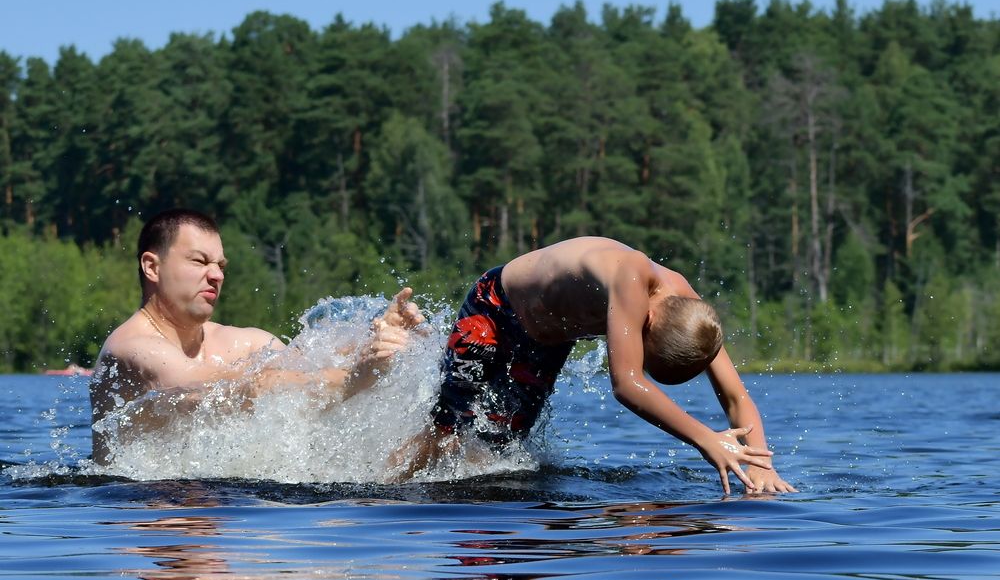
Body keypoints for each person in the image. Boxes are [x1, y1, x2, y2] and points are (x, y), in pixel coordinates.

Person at [402, 236, 795, 495]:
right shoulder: (631, 274)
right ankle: (393, 487)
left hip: (545, 343)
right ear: (648, 325)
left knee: (500, 450)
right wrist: (708, 440)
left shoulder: (696, 316)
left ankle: (425, 340)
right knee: (448, 428)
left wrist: (761, 465)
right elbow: (627, 383)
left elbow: (734, 394)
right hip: (496, 310)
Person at [90, 208, 423, 465]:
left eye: (221, 265)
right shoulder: (133, 349)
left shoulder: (239, 342)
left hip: (215, 510)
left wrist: (378, 337)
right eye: (199, 261)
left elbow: (312, 366)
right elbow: (233, 389)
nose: (216, 275)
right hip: (147, 511)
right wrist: (353, 379)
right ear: (152, 267)